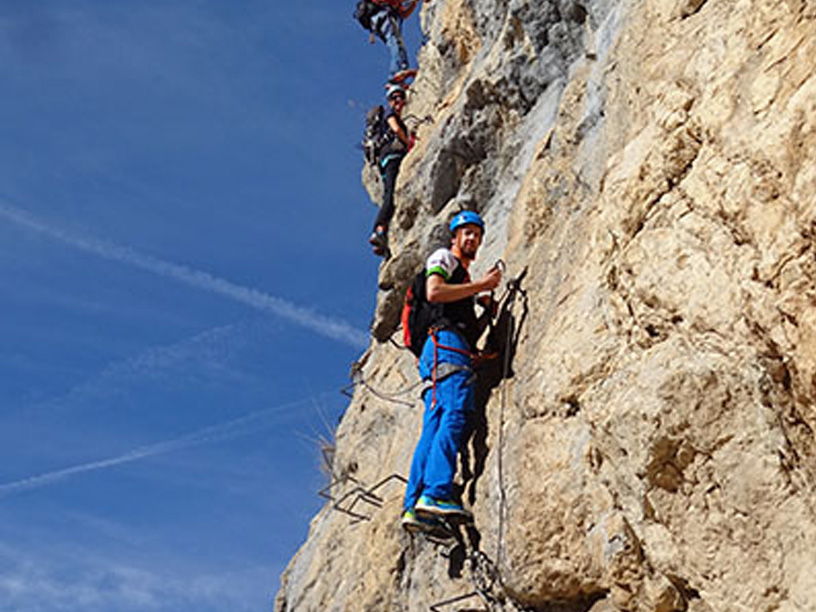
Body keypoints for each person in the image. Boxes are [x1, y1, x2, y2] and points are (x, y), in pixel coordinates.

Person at [401, 211, 502, 532]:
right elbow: (434, 292)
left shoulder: (462, 281)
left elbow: (459, 321)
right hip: (444, 344)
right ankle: (436, 492)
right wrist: (481, 286)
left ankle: (413, 504)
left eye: (476, 234)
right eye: (466, 233)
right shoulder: (444, 257)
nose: (472, 239)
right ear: (454, 237)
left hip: (439, 350)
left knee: (434, 424)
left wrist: (484, 312)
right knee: (456, 412)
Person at [369, 83, 412, 256]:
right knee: (390, 196)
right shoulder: (390, 114)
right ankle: (378, 230)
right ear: (390, 101)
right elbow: (395, 128)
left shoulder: (388, 116)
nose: (399, 100)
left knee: (390, 195)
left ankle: (382, 239)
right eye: (395, 98)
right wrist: (407, 141)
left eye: (401, 97)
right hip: (393, 156)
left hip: (386, 159)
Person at [369, 0, 424, 83]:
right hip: (383, 17)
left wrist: (414, 3)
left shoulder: (395, 5)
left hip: (383, 19)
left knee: (397, 43)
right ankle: (397, 71)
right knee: (396, 42)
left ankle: (398, 78)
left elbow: (404, 14)